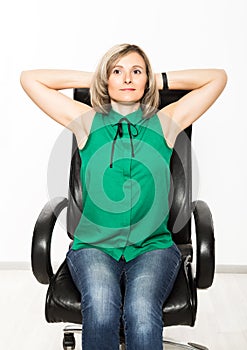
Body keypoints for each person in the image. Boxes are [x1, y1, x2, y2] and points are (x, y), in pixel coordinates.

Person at [20, 43, 227, 350]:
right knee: (102, 309)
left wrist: (155, 79)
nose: (127, 78)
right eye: (117, 72)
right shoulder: (86, 122)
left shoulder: (166, 123)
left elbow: (217, 78)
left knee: (141, 312)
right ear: (106, 80)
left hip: (153, 248)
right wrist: (99, 77)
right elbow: (30, 79)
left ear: (147, 81)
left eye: (136, 72)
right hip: (94, 247)